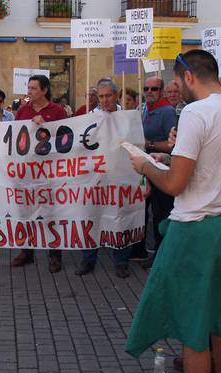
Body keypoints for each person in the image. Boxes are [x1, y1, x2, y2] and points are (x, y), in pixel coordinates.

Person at [126, 50, 221, 373]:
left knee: (194, 326)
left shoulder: (196, 113)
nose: (174, 88)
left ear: (188, 75)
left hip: (196, 228)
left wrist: (145, 166)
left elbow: (174, 184)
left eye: (175, 80)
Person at [76, 79, 132, 278]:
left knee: (119, 217)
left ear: (116, 95)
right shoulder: (87, 118)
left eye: (108, 95)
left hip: (119, 177)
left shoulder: (127, 117)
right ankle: (88, 259)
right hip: (94, 178)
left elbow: (135, 148)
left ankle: (121, 261)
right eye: (101, 96)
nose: (104, 100)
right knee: (91, 216)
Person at [12, 75, 67, 273]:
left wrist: (46, 126)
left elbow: (67, 139)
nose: (30, 91)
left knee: (51, 212)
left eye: (34, 88)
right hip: (27, 171)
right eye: (29, 88)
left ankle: (55, 254)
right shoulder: (22, 111)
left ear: (45, 90)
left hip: (50, 171)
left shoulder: (58, 111)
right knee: (26, 210)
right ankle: (27, 251)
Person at [141, 76, 177, 258]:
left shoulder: (167, 111)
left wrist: (151, 144)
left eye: (154, 89)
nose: (149, 92)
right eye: (146, 88)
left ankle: (160, 254)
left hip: (161, 169)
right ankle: (143, 250)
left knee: (160, 214)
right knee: (142, 212)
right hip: (145, 168)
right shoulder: (146, 109)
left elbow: (173, 145)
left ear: (161, 91)